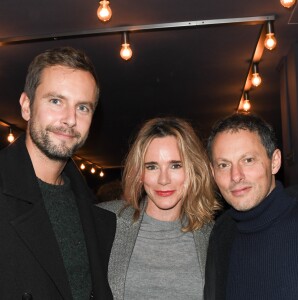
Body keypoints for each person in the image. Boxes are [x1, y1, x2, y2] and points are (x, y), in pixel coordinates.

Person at [0, 47, 116, 300]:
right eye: (56, 101)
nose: (70, 119)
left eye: (83, 107)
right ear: (26, 106)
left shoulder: (91, 210)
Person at [98, 117, 220, 300]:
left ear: (192, 169)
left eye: (175, 165)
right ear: (140, 173)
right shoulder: (106, 221)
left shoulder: (213, 236)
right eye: (152, 166)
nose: (164, 180)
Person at [204, 113, 298, 300]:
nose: (236, 176)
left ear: (275, 162)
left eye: (248, 160)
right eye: (224, 165)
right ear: (212, 173)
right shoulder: (221, 233)